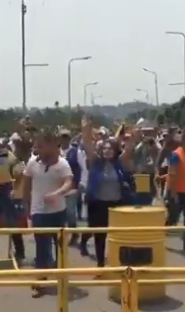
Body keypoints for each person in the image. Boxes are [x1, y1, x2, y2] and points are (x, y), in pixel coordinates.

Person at [80, 115, 136, 266]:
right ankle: (100, 264)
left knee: (117, 235)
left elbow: (129, 149)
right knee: (99, 235)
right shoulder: (95, 163)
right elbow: (87, 145)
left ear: (115, 150)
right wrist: (86, 129)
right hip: (98, 205)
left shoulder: (119, 163)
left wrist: (131, 137)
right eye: (104, 148)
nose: (107, 150)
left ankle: (118, 263)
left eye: (110, 148)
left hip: (116, 205)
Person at [23, 132, 73, 297]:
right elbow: (26, 185)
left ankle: (61, 277)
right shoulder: (32, 164)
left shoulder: (62, 164)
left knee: (59, 246)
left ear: (52, 145)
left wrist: (57, 193)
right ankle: (41, 280)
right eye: (38, 144)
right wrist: (27, 205)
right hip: (39, 211)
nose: (39, 147)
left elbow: (68, 182)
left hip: (58, 211)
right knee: (41, 247)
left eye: (42, 144)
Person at [59, 129, 87, 246]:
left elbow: (84, 168)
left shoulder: (76, 152)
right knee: (60, 212)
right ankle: (62, 235)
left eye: (66, 137)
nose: (64, 139)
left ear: (70, 138)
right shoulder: (56, 151)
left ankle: (74, 233)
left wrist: (82, 183)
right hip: (58, 187)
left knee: (70, 212)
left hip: (72, 187)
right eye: (62, 137)